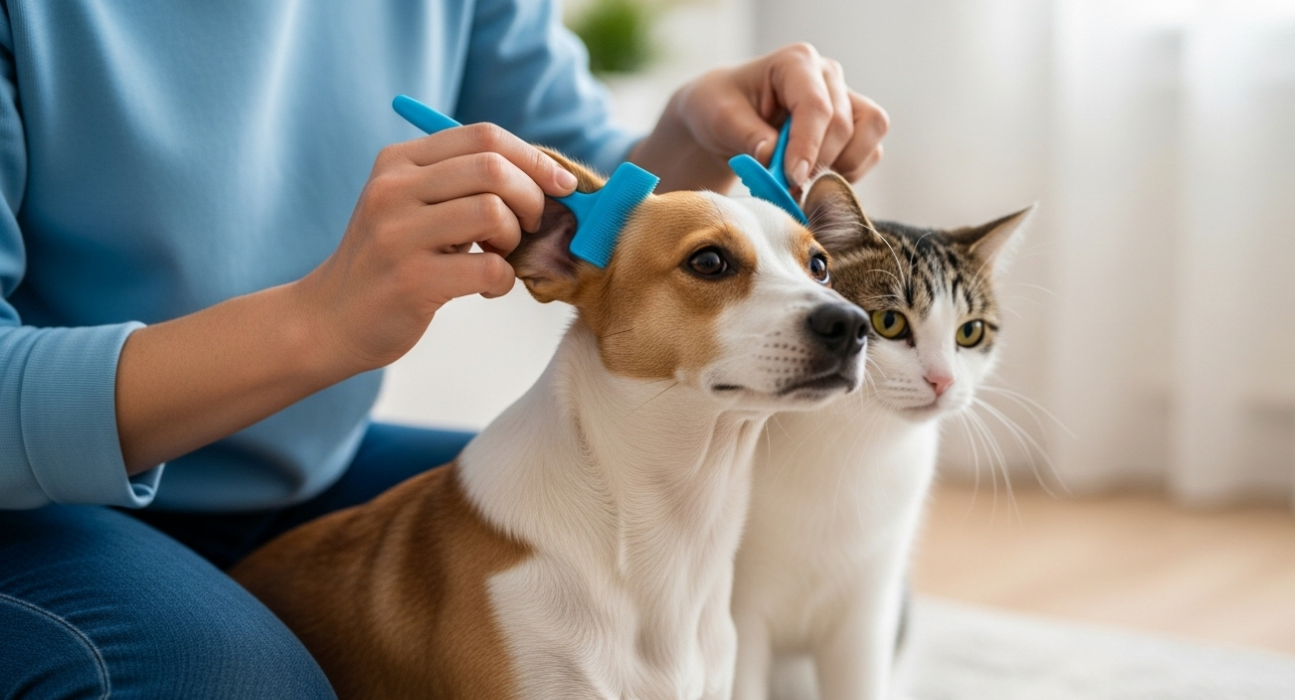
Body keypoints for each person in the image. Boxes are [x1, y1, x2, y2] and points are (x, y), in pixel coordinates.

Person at [0, 1, 888, 696]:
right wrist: (317, 322)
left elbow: (599, 222)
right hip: (34, 508)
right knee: (231, 681)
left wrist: (692, 132)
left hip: (304, 465)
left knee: (818, 582)